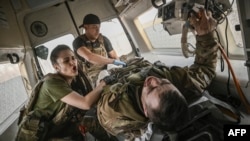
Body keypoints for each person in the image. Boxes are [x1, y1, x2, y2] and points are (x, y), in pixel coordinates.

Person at [96, 9, 220, 140]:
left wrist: (109, 78)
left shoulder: (114, 111)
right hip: (138, 65)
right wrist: (205, 35)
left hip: (116, 75)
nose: (154, 80)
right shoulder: (173, 90)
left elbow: (102, 94)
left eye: (151, 89)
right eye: (164, 82)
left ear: (145, 110)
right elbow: (205, 69)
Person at [15, 45, 116, 141]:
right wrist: (104, 82)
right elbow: (85, 103)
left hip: (55, 126)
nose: (73, 63)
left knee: (91, 123)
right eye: (66, 61)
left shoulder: (70, 81)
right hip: (40, 135)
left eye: (73, 58)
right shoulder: (52, 83)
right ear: (56, 67)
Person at [73, 13, 126, 87]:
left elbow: (114, 56)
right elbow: (90, 57)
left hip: (108, 70)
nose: (98, 31)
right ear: (86, 27)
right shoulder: (78, 42)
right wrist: (113, 61)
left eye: (99, 27)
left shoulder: (103, 39)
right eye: (94, 27)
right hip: (92, 76)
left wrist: (119, 65)